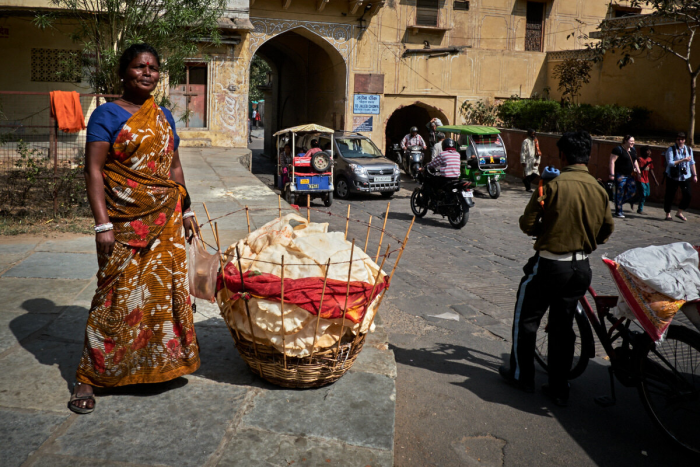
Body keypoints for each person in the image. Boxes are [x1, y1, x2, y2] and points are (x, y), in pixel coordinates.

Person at [68, 43, 200, 414]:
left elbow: (173, 169)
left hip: (167, 220)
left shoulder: (164, 117)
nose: (147, 73)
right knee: (113, 296)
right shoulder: (106, 116)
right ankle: (90, 375)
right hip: (122, 220)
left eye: (153, 68)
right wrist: (102, 224)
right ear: (124, 72)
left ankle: (154, 366)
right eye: (140, 66)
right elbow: (93, 170)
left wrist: (187, 210)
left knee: (161, 294)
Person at [499, 130, 614, 407]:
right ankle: (559, 386)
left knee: (527, 320)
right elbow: (606, 229)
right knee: (563, 327)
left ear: (562, 155)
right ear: (587, 155)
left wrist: (545, 229)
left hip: (551, 265)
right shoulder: (599, 189)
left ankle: (521, 376)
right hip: (581, 269)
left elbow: (527, 223)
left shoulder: (551, 185)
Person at [664, 132, 698, 221]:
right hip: (673, 176)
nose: (680, 141)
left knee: (688, 195)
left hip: (685, 176)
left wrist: (695, 175)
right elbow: (670, 163)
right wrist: (682, 160)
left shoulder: (689, 149)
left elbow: (692, 162)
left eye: (682, 139)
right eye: (678, 139)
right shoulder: (671, 149)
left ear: (685, 140)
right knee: (670, 195)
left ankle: (679, 212)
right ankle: (668, 213)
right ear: (676, 140)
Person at [609, 135, 641, 218]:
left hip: (630, 175)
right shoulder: (618, 150)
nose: (632, 143)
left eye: (633, 141)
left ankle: (619, 203)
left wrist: (638, 170)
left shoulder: (633, 150)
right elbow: (612, 161)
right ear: (625, 141)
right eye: (631, 141)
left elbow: (635, 160)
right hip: (620, 174)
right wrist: (612, 174)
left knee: (632, 191)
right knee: (620, 192)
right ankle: (618, 211)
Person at [634, 146, 658, 215]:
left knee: (647, 194)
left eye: (650, 151)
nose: (649, 152)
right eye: (648, 151)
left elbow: (651, 170)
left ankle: (633, 200)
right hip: (640, 178)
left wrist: (655, 180)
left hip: (646, 179)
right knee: (644, 194)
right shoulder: (639, 159)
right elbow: (638, 169)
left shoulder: (650, 159)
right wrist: (645, 165)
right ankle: (640, 209)